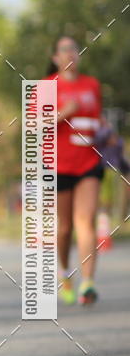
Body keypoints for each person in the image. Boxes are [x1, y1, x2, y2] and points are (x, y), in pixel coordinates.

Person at [48, 36, 102, 305]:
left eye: (74, 49)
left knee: (86, 220)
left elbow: (96, 118)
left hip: (89, 161)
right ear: (56, 57)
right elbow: (34, 127)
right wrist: (63, 113)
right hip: (59, 165)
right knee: (65, 227)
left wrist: (107, 133)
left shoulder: (92, 85)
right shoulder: (46, 87)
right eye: (65, 49)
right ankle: (65, 273)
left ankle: (88, 283)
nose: (71, 53)